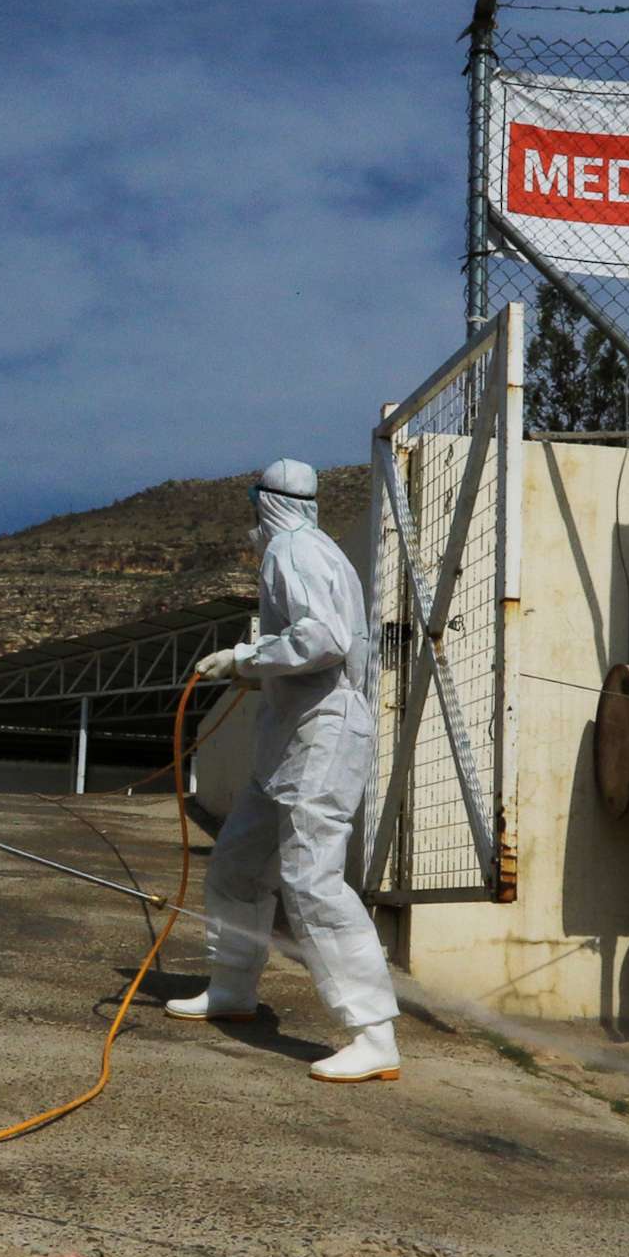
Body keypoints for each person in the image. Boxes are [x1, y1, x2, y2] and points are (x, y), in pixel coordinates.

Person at [165, 457, 401, 1083]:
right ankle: (233, 988)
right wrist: (255, 669)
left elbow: (322, 639)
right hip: (292, 739)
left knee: (312, 879)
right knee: (239, 862)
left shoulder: (290, 552)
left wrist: (243, 658)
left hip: (322, 737)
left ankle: (372, 1032)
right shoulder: (314, 548)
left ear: (264, 502)